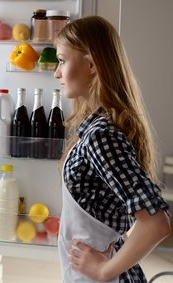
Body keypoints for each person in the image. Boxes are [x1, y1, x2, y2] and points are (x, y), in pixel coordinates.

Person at [54, 16, 171, 282]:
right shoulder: (96, 129)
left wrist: (103, 269)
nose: (57, 73)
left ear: (92, 64)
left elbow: (156, 223)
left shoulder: (101, 137)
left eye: (62, 60)